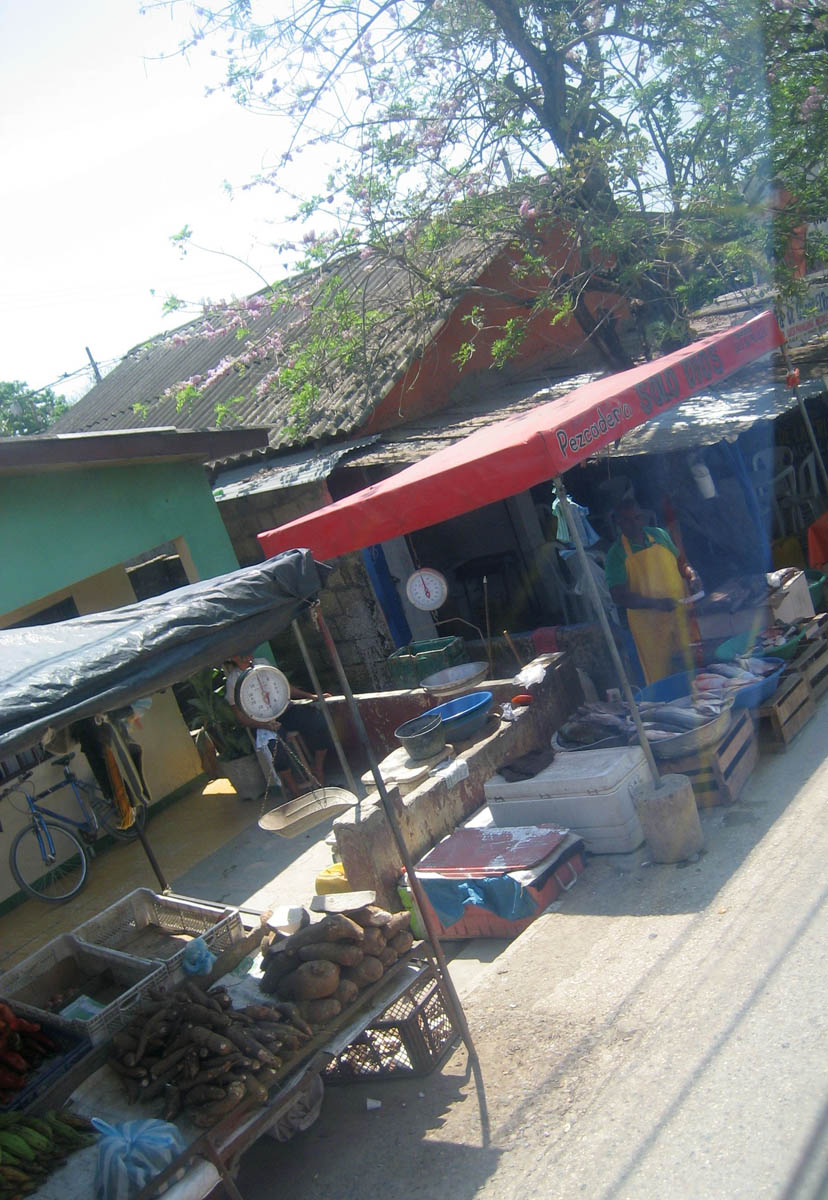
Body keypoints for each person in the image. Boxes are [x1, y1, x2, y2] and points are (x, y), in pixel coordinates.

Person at [604, 500, 702, 685]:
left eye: (637, 518)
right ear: (619, 523)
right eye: (628, 521)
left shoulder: (659, 535)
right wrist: (656, 604)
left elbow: (681, 563)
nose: (634, 524)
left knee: (694, 670)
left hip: (680, 615)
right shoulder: (615, 555)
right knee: (663, 678)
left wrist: (691, 574)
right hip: (650, 628)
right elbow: (619, 596)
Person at [223, 653, 331, 799]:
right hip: (261, 721)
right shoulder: (233, 680)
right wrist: (265, 725)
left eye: (245, 651)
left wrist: (311, 696)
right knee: (274, 744)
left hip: (284, 711)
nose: (244, 655)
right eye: (239, 654)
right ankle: (295, 791)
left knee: (316, 720)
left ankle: (318, 768)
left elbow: (284, 687)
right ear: (232, 658)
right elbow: (241, 717)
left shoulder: (262, 662)